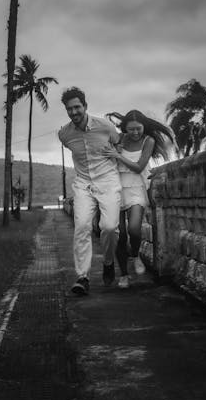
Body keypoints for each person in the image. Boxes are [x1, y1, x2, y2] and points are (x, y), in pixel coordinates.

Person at [59, 87, 122, 296]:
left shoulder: (106, 127)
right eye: (69, 109)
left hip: (108, 181)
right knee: (83, 226)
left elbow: (118, 144)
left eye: (77, 107)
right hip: (83, 184)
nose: (74, 112)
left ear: (85, 106)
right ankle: (82, 277)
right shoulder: (65, 134)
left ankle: (108, 261)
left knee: (110, 226)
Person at [102, 110, 173, 289]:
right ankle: (124, 275)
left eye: (138, 129)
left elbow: (139, 167)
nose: (135, 133)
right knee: (120, 235)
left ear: (144, 127)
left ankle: (135, 254)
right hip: (116, 187)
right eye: (131, 129)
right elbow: (104, 157)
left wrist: (118, 156)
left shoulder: (148, 140)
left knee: (134, 229)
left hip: (136, 187)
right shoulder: (118, 138)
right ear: (124, 128)